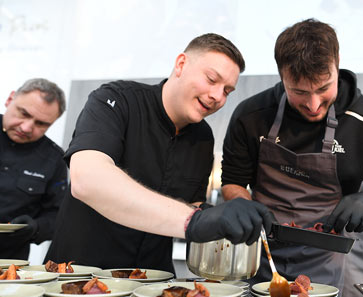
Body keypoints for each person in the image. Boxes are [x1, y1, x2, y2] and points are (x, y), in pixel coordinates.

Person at [45, 33, 274, 273]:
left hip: (152, 284)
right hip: (78, 276)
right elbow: (88, 180)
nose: (218, 96)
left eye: (227, 91)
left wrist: (219, 215)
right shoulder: (116, 100)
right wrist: (194, 221)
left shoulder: (203, 137)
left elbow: (190, 202)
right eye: (211, 79)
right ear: (181, 64)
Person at [221, 19, 363, 295]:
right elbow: (232, 182)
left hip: (327, 263)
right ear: (281, 76)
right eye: (299, 92)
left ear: (337, 64)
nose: (313, 105)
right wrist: (245, 206)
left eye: (324, 88)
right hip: (262, 256)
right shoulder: (251, 116)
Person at [0, 78, 67, 260]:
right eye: (23, 113)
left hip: (8, 267)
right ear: (10, 99)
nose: (26, 127)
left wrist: (35, 228)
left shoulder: (54, 160)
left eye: (41, 124)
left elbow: (57, 217)